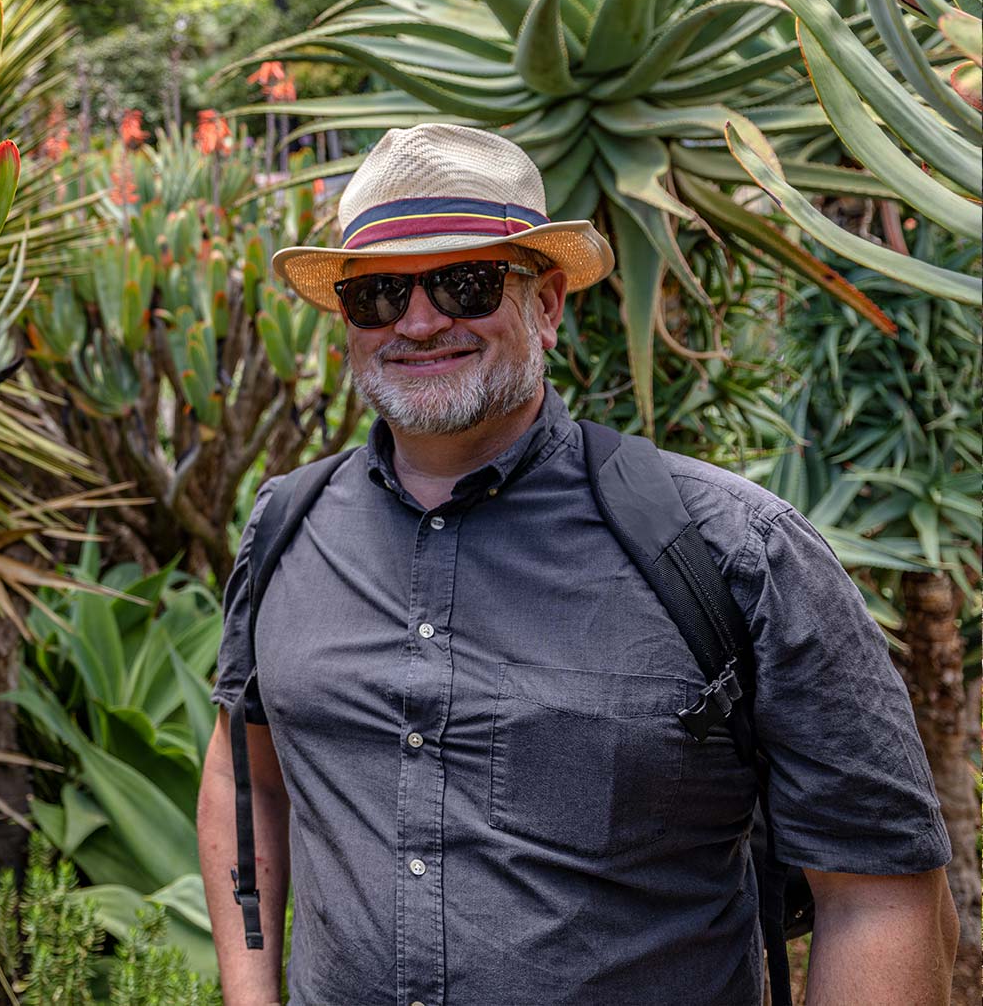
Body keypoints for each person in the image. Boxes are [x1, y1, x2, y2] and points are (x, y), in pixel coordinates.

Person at [196, 124, 958, 1006]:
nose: (418, 320)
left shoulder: (733, 548)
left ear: (548, 302)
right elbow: (246, 773)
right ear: (349, 324)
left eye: (465, 281)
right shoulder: (288, 525)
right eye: (377, 294)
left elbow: (880, 891)